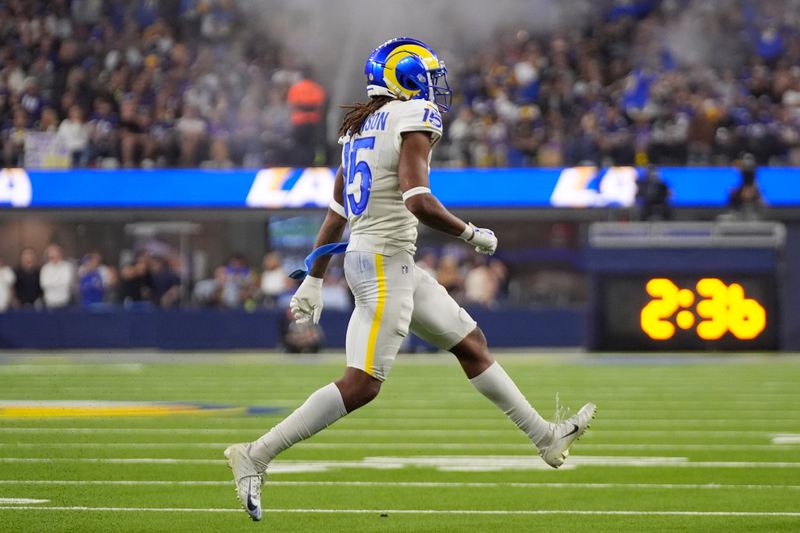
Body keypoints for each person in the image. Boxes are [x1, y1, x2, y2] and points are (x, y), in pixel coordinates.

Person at [224, 38, 596, 521]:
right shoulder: (410, 116)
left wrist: (313, 278)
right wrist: (470, 233)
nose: (433, 88)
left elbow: (337, 213)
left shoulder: (358, 128)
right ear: (405, 77)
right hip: (383, 264)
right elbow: (417, 199)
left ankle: (545, 437)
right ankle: (256, 453)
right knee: (361, 385)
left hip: (383, 260)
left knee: (471, 343)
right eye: (427, 75)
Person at [40, 244, 75, 309]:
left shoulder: (67, 267)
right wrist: (58, 282)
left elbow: (66, 282)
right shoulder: (45, 268)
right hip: (50, 302)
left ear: (60, 254)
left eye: (55, 253)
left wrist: (52, 282)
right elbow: (44, 284)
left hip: (64, 301)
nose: (53, 256)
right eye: (51, 254)